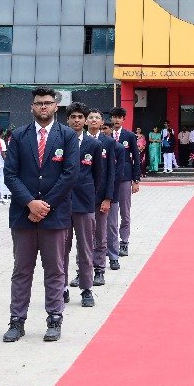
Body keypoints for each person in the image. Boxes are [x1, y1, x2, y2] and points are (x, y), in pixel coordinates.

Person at [2, 88, 79, 343]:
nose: (43, 107)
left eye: (47, 103)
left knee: (55, 270)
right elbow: (10, 174)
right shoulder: (19, 135)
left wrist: (44, 206)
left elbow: (70, 174)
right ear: (32, 107)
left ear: (56, 107)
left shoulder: (67, 136)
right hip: (23, 215)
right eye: (38, 103)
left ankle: (54, 319)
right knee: (21, 270)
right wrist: (30, 203)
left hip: (55, 216)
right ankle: (17, 320)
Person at [62, 103, 107, 309]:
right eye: (73, 117)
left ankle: (86, 288)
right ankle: (61, 288)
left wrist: (90, 195)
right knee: (61, 249)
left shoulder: (93, 145)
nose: (77, 120)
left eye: (81, 117)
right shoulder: (59, 141)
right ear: (67, 119)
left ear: (86, 120)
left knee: (86, 247)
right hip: (61, 203)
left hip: (85, 203)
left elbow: (98, 176)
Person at [85, 110, 119, 286]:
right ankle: (83, 271)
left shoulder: (109, 142)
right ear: (86, 121)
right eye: (90, 117)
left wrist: (108, 198)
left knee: (100, 235)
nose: (93, 120)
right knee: (83, 237)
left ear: (101, 122)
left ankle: (99, 270)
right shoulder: (78, 139)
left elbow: (111, 172)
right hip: (82, 196)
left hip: (101, 197)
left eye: (97, 118)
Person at [107, 108, 141, 264]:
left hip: (125, 178)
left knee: (125, 212)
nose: (116, 120)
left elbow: (136, 158)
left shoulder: (129, 136)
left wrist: (136, 180)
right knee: (109, 213)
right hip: (108, 178)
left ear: (123, 119)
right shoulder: (105, 135)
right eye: (114, 117)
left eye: (119, 117)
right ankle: (109, 243)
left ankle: (124, 242)